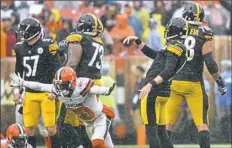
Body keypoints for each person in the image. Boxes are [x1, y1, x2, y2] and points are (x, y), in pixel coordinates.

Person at [165, 2, 227, 148]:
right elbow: (210, 62)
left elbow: (166, 57)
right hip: (194, 83)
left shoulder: (176, 28)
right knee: (202, 124)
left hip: (174, 82)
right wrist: (219, 80)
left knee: (167, 124)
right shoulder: (204, 32)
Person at [10, 67, 116, 148]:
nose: (60, 89)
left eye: (63, 85)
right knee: (106, 145)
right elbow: (40, 86)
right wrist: (24, 83)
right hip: (87, 122)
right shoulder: (58, 90)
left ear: (73, 83)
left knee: (97, 142)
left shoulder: (81, 86)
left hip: (100, 117)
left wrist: (106, 91)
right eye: (58, 85)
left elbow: (94, 89)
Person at [123, 17, 188, 148]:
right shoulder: (175, 48)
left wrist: (150, 84)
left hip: (154, 91)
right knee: (161, 132)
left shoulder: (175, 47)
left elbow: (168, 70)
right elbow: (155, 55)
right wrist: (138, 41)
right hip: (163, 92)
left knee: (151, 132)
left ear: (172, 31)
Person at [58, 13, 107, 148]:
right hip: (95, 81)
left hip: (81, 84)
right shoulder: (98, 42)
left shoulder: (78, 38)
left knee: (65, 123)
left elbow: (72, 63)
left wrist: (61, 78)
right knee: (84, 123)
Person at [12, 17, 60, 148]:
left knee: (51, 129)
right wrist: (16, 91)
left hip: (47, 92)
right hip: (29, 93)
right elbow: (17, 73)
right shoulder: (19, 48)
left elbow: (57, 71)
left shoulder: (48, 46)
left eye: (24, 31)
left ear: (32, 32)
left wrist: (56, 90)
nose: (21, 34)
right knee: (29, 129)